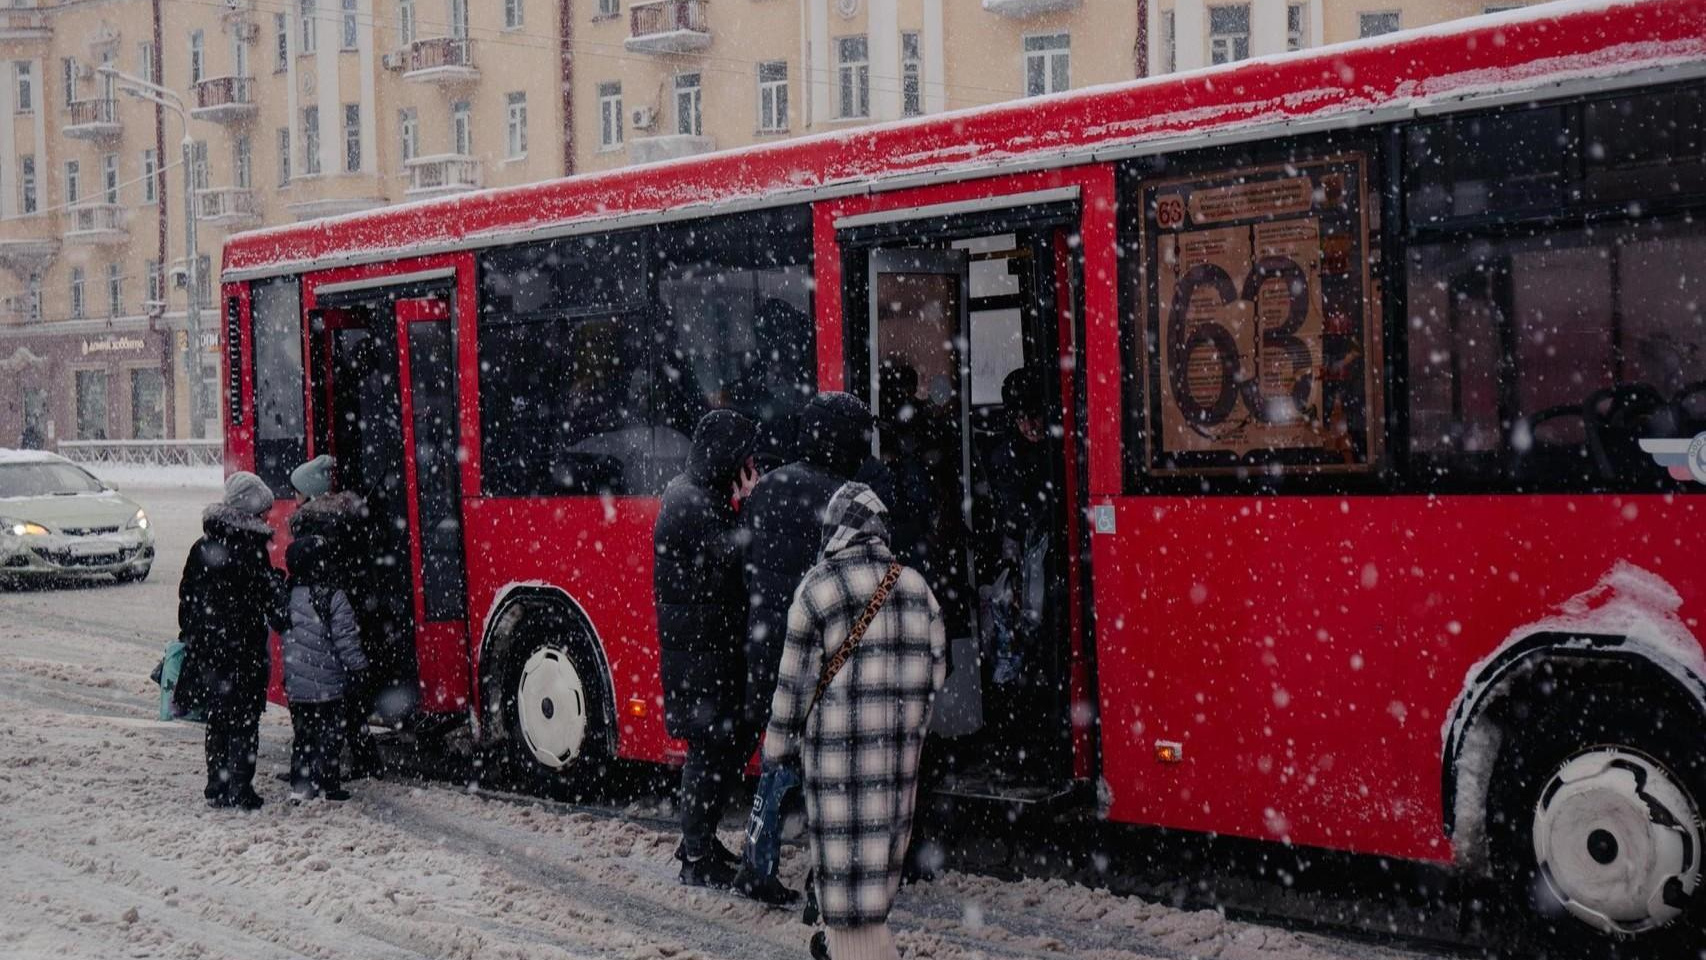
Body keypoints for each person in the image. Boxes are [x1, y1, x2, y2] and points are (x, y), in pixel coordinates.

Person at [764, 483, 948, 960]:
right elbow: (938, 671)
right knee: (877, 881)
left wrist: (778, 749)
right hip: (897, 764)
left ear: (835, 530)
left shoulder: (817, 587)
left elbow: (793, 687)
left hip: (836, 767)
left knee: (845, 893)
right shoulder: (917, 588)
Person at [735, 392, 881, 905]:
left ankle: (758, 861)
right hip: (821, 646)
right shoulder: (845, 497)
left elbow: (747, 562)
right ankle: (828, 881)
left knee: (779, 753)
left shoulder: (768, 486)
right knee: (829, 764)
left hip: (768, 641)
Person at [654, 409, 761, 888]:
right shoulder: (691, 502)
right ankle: (696, 856)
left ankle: (700, 840)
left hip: (709, 648)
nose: (750, 465)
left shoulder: (701, 493)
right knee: (709, 752)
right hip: (701, 653)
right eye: (743, 457)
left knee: (727, 745)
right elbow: (732, 556)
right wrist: (753, 504)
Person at [176, 471, 284, 811]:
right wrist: (277, 585)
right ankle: (241, 788)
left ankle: (217, 786)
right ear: (249, 510)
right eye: (263, 509)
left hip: (210, 651)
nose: (268, 515)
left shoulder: (203, 547)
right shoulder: (251, 551)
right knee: (244, 720)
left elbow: (187, 599)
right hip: (243, 650)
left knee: (219, 718)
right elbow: (268, 598)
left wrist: (193, 636)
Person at [289, 454, 384, 780]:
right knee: (349, 694)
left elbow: (305, 571)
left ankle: (321, 768)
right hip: (352, 607)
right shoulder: (348, 518)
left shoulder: (310, 525)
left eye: (297, 492)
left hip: (324, 612)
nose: (294, 500)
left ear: (309, 495)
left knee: (321, 697)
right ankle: (365, 759)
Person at [281, 533, 369, 802]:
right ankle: (328, 784)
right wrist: (359, 668)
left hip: (297, 685)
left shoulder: (287, 594)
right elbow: (346, 640)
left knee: (303, 736)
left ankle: (301, 782)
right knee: (329, 737)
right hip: (328, 685)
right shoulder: (333, 596)